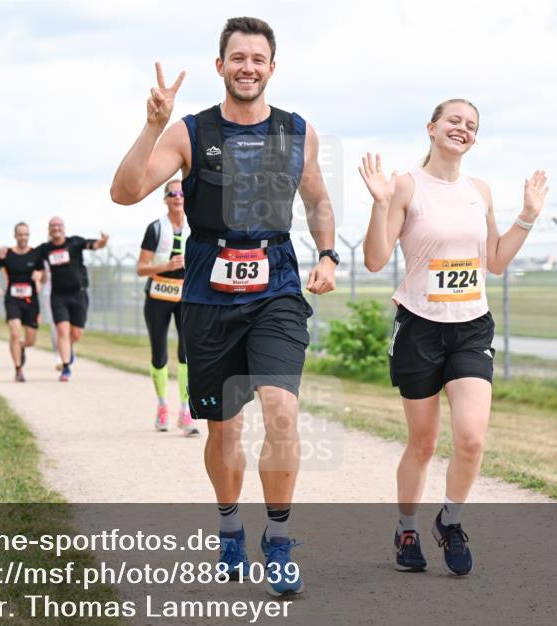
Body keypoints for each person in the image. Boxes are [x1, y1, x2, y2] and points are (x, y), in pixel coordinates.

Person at [110, 17, 338, 596]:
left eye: (258, 58)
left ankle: (280, 542)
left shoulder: (297, 131)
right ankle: (231, 524)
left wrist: (329, 255)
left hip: (276, 288)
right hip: (209, 295)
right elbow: (126, 191)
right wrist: (152, 124)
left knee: (282, 412)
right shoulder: (189, 132)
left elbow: (317, 202)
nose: (248, 67)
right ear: (220, 66)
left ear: (271, 67)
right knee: (223, 429)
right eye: (237, 57)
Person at [358, 99, 548, 576]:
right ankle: (406, 528)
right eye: (454, 121)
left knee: (471, 439)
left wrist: (527, 215)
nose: (462, 129)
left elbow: (496, 261)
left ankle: (451, 520)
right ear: (432, 127)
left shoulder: (478, 190)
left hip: (470, 327)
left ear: (475, 138)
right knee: (422, 444)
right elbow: (376, 260)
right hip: (419, 326)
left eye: (471, 125)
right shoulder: (406, 185)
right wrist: (380, 205)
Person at [137, 179, 198, 436]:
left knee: (187, 354)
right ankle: (162, 406)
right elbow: (141, 268)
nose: (178, 196)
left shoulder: (196, 227)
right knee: (159, 354)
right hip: (158, 296)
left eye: (182, 192)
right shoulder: (155, 228)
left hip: (186, 296)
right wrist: (167, 266)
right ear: (165, 199)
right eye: (172, 193)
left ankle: (185, 411)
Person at [34, 217, 108, 382]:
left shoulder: (74, 242)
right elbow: (36, 266)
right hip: (58, 295)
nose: (56, 228)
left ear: (64, 228)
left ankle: (68, 348)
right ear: (49, 230)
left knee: (76, 333)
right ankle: (66, 367)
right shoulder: (45, 249)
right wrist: (37, 277)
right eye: (52, 226)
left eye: (59, 225)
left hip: (79, 294)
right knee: (62, 331)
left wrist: (103, 241)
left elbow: (93, 245)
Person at [0, 222, 43, 382]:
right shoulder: (6, 254)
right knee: (15, 332)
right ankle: (18, 369)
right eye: (20, 234)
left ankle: (22, 347)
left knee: (31, 340)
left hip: (31, 301)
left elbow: (43, 274)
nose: (23, 237)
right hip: (12, 300)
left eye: (25, 234)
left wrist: (40, 278)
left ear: (29, 235)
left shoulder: (35, 254)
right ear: (15, 236)